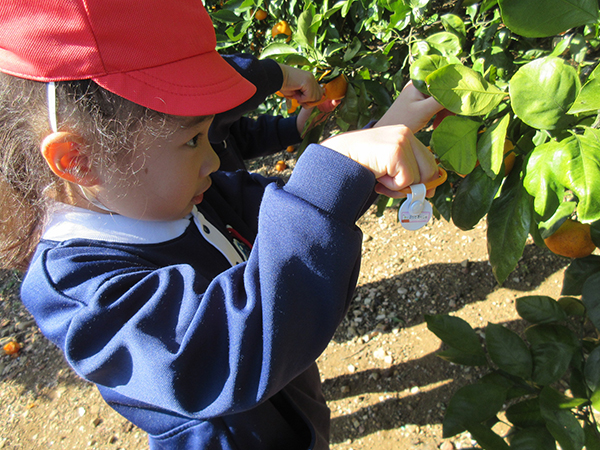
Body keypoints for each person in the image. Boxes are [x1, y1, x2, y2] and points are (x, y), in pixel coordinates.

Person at [0, 1, 442, 449]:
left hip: (295, 413)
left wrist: (384, 135)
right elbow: (224, 353)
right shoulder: (80, 289)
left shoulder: (185, 196)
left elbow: (293, 211)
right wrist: (337, 169)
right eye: (193, 139)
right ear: (78, 159)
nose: (213, 158)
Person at [210, 54, 326, 171]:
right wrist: (280, 75)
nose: (210, 162)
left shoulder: (206, 126)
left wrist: (297, 126)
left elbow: (242, 136)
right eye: (193, 142)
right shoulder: (205, 175)